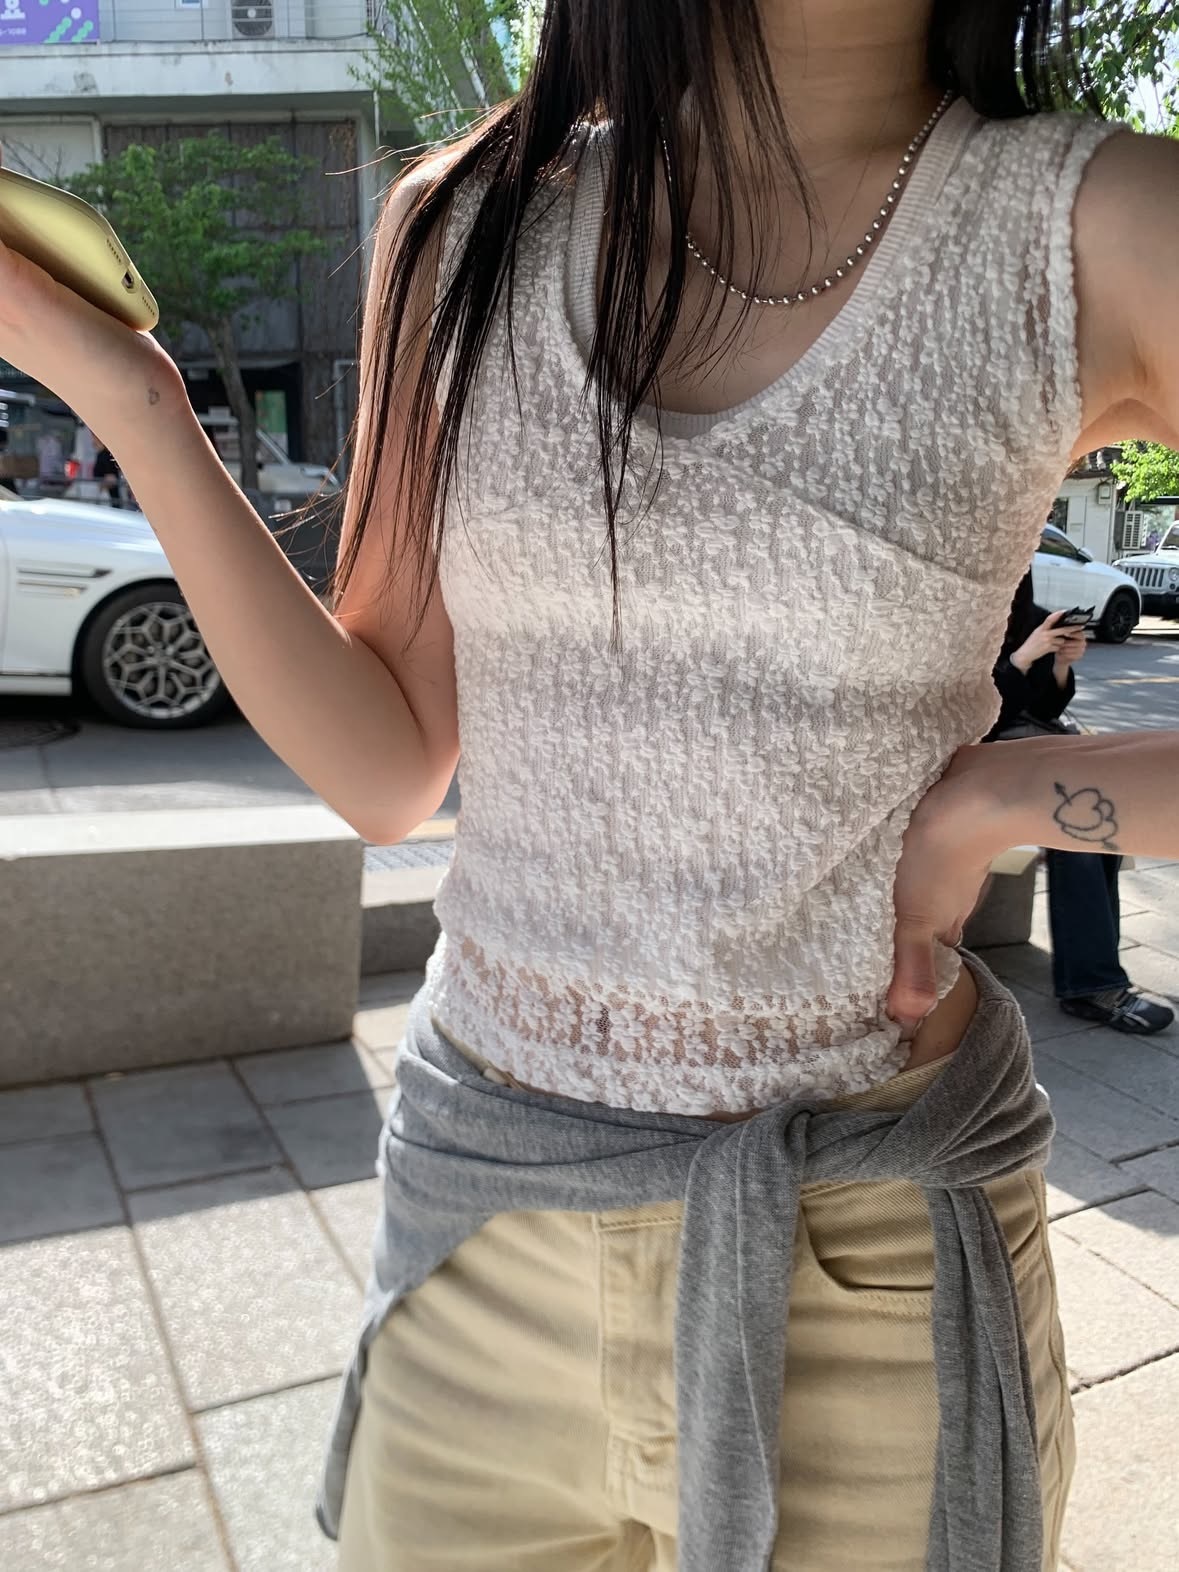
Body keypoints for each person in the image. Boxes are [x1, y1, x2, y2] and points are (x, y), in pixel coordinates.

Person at [4, 3, 1179, 1567]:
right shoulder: (466, 225)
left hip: (869, 1257)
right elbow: (385, 765)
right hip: (486, 1223)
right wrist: (133, 402)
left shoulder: (1094, 224)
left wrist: (1011, 795)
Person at [988, 574, 1175, 1035]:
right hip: (982, 763)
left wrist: (1060, 665)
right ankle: (1091, 987)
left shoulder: (1030, 619)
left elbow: (1046, 709)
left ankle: (1095, 974)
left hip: (1039, 756)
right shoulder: (961, 623)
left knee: (1105, 823)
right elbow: (978, 717)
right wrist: (1020, 659)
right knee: (1078, 829)